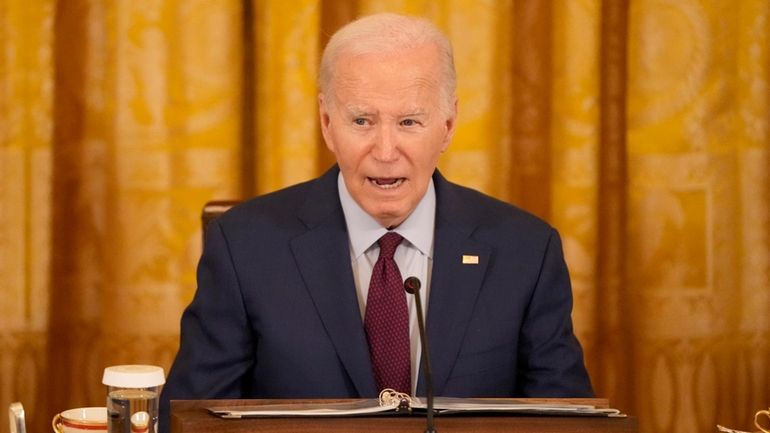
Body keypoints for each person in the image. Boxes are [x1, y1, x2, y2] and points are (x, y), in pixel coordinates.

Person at [159, 12, 592, 433]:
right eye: (362, 120)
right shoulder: (245, 246)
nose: (385, 151)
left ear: (448, 124)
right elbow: (191, 421)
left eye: (409, 122)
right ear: (328, 123)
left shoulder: (526, 252)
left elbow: (565, 424)